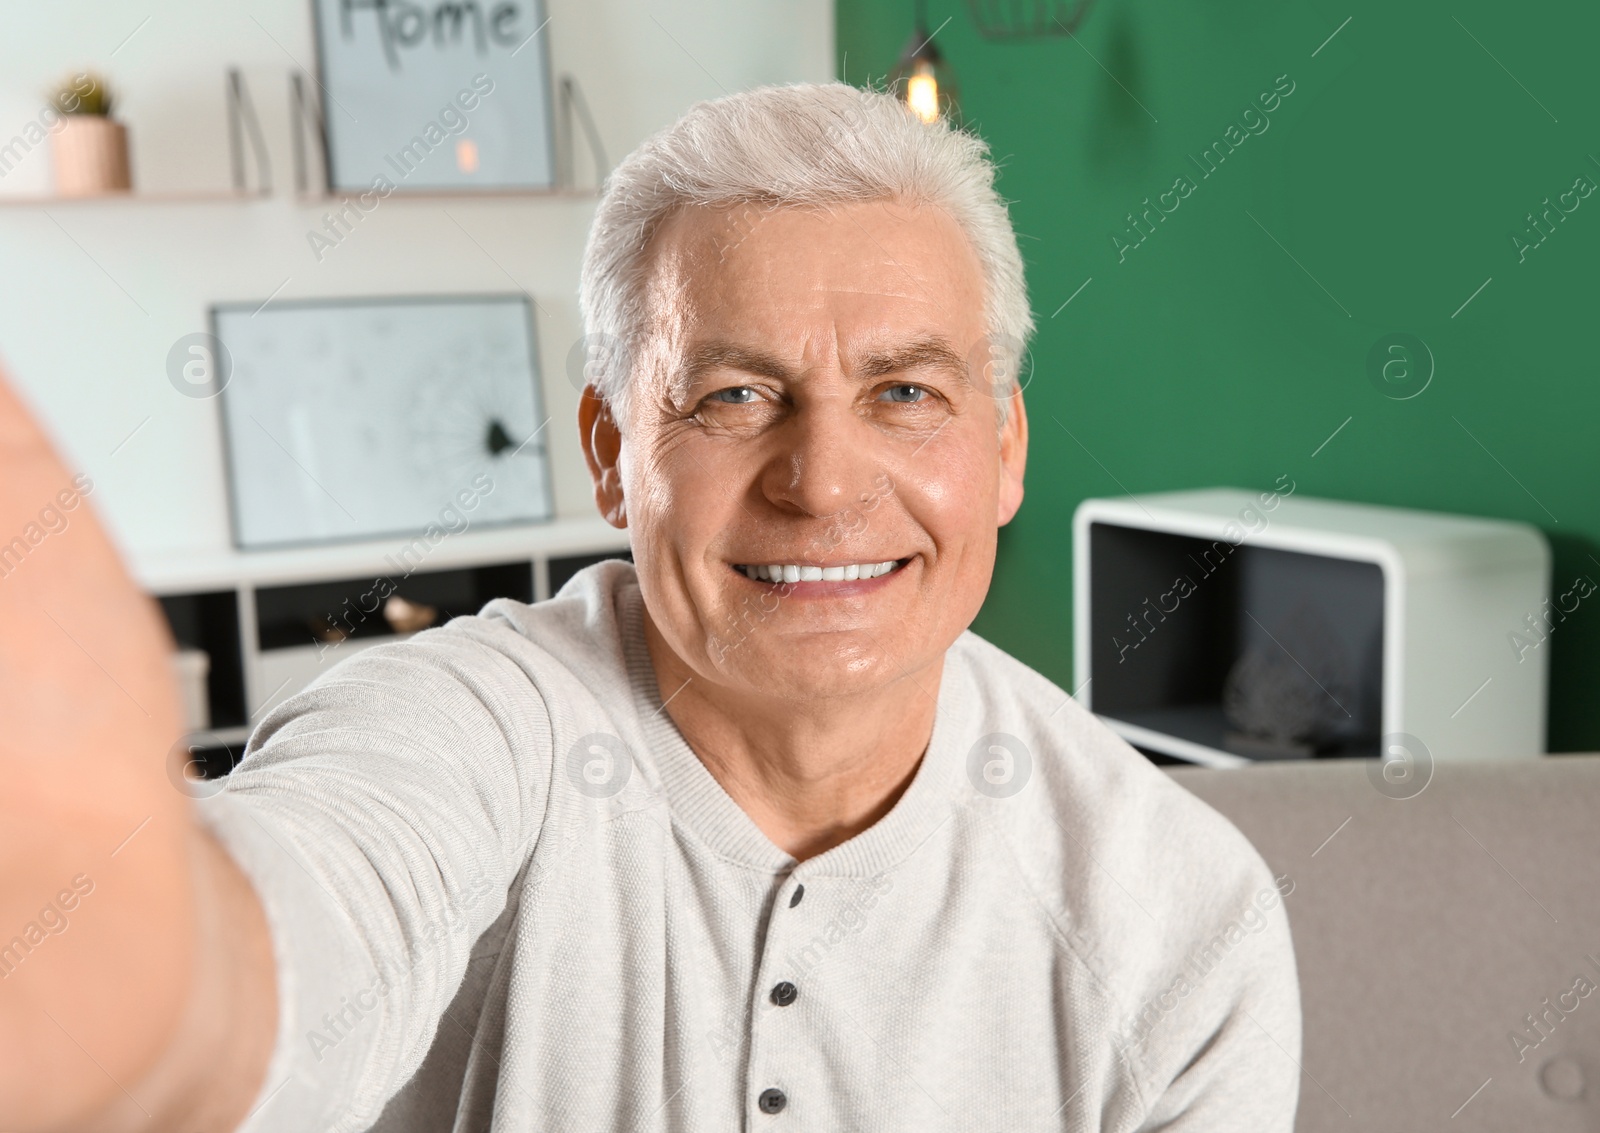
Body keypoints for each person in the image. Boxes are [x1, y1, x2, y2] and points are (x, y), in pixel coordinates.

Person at [0, 82, 1299, 1132]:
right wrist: (120, 963)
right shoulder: (475, 726)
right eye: (734, 394)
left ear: (1005, 449)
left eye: (906, 393)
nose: (825, 483)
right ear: (612, 449)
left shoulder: (1178, 915)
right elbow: (299, 930)